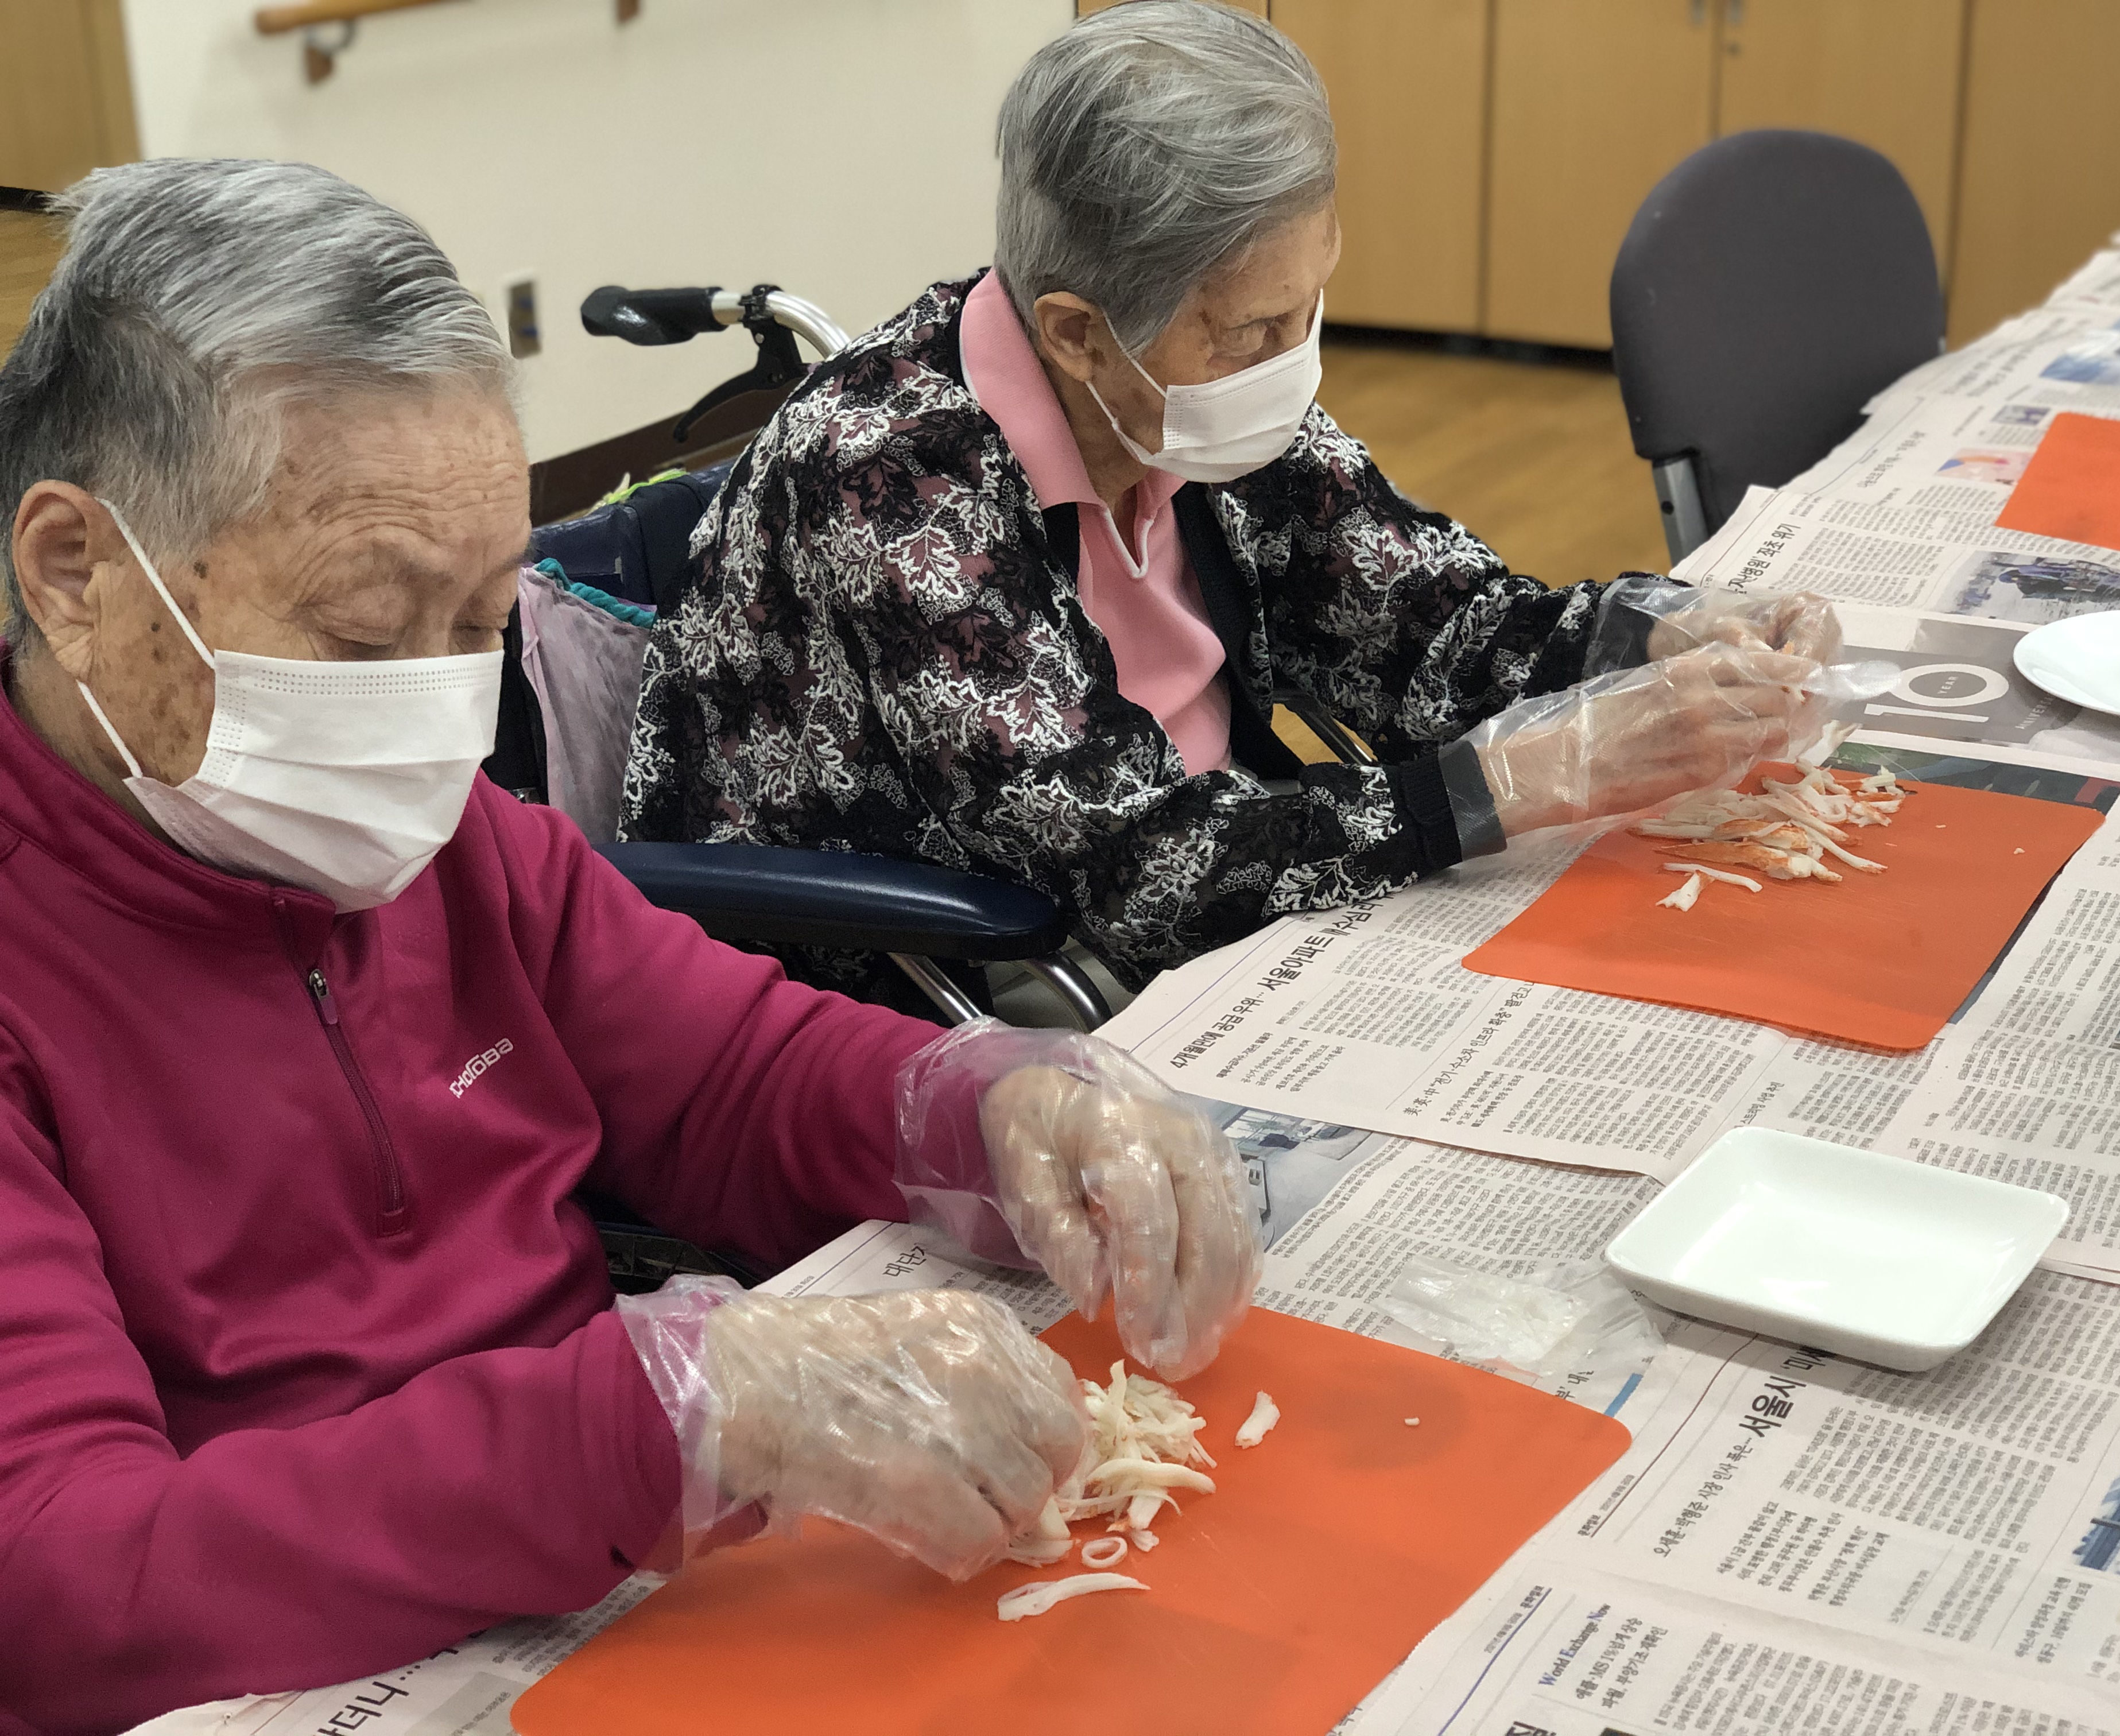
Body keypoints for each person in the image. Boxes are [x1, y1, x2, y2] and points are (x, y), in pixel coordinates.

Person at [0, 160, 1259, 1734]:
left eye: (480, 626)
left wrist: (991, 1110)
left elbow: (728, 1074)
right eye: (362, 630)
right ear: (75, 573)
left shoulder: (449, 846)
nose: (436, 714)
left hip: (590, 1579)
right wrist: (666, 1415)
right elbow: (59, 1578)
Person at [621, 0, 1839, 1001]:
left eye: (1311, 305)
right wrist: (1519, 781)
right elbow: (1136, 869)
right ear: (1077, 334)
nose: (1291, 364)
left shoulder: (1182, 396)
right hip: (951, 976)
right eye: (1253, 330)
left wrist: (1659, 632)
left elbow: (1423, 620)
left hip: (1220, 882)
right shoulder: (891, 478)